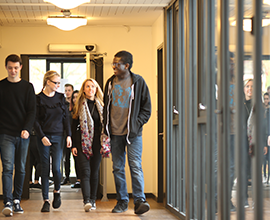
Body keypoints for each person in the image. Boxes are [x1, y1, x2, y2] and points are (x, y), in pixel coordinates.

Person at [103, 50, 151, 215]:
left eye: (117, 63)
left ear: (127, 65)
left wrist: (136, 125)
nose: (114, 66)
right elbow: (106, 109)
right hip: (115, 134)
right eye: (113, 63)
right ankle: (122, 201)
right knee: (117, 168)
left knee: (135, 166)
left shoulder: (138, 82)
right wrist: (105, 128)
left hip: (133, 134)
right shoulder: (110, 82)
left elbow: (147, 109)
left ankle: (139, 201)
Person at [0, 54, 36, 216]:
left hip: (23, 134)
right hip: (5, 134)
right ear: (6, 67)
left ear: (20, 67)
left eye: (16, 67)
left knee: (21, 168)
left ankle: (16, 200)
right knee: (7, 168)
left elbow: (32, 111)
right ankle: (7, 201)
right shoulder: (1, 86)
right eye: (10, 67)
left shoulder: (27, 87)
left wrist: (27, 129)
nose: (13, 70)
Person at [34, 70, 72, 212]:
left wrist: (68, 135)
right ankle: (45, 200)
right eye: (55, 83)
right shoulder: (37, 99)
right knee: (45, 168)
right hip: (43, 137)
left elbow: (66, 118)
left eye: (59, 83)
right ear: (47, 82)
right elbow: (35, 120)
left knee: (56, 168)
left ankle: (57, 191)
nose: (58, 85)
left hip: (59, 137)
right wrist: (42, 136)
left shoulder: (61, 98)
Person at [71, 79, 107, 212]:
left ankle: (93, 199)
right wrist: (74, 145)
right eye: (88, 86)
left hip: (97, 142)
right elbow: (74, 127)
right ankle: (86, 201)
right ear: (84, 89)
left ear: (96, 89)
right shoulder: (79, 105)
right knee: (85, 171)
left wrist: (105, 143)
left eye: (93, 86)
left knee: (94, 171)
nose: (90, 89)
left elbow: (105, 126)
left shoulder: (102, 106)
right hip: (82, 142)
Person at [61, 83, 74, 185]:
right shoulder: (63, 103)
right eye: (65, 90)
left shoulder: (76, 104)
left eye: (69, 90)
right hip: (65, 133)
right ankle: (67, 176)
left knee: (76, 157)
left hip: (75, 133)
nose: (67, 92)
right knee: (66, 157)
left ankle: (79, 179)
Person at [70, 90, 82, 189]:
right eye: (73, 97)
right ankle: (78, 180)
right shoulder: (69, 110)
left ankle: (82, 180)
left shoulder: (82, 109)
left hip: (81, 139)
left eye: (77, 97)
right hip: (70, 137)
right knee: (74, 160)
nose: (75, 99)